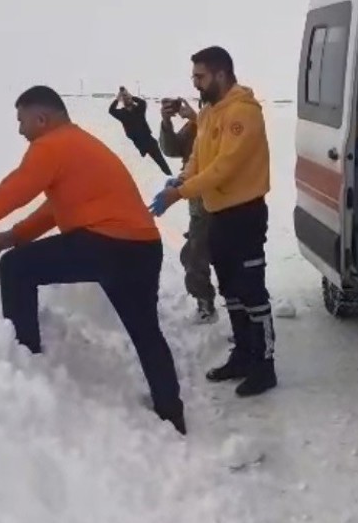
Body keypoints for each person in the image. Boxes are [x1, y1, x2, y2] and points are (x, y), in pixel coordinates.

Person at [0, 85, 186, 434]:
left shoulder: (50, 146)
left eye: (21, 121)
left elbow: (6, 197)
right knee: (146, 333)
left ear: (41, 118)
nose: (20, 130)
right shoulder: (79, 143)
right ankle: (172, 415)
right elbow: (58, 205)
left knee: (16, 267)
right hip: (142, 246)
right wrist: (17, 236)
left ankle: (23, 365)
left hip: (107, 243)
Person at [151, 46, 276, 398]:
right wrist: (181, 180)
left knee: (252, 290)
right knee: (231, 290)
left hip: (245, 214)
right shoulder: (207, 114)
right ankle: (243, 355)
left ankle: (265, 364)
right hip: (217, 215)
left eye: (200, 77)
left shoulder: (242, 114)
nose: (195, 84)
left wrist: (182, 192)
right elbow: (198, 158)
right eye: (193, 77)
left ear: (221, 75)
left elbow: (224, 167)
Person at [158, 96, 217, 324]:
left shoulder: (221, 122)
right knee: (193, 256)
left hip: (225, 204)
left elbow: (219, 147)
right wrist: (166, 122)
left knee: (215, 256)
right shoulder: (194, 126)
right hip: (199, 206)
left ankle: (242, 309)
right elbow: (171, 148)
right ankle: (205, 301)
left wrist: (196, 118)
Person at [108, 87, 174, 176]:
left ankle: (169, 175)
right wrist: (118, 98)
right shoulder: (121, 114)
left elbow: (143, 102)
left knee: (161, 163)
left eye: (128, 97)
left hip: (149, 141)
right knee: (145, 168)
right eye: (125, 98)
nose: (127, 99)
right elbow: (111, 110)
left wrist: (131, 96)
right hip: (138, 144)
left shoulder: (139, 109)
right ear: (122, 101)